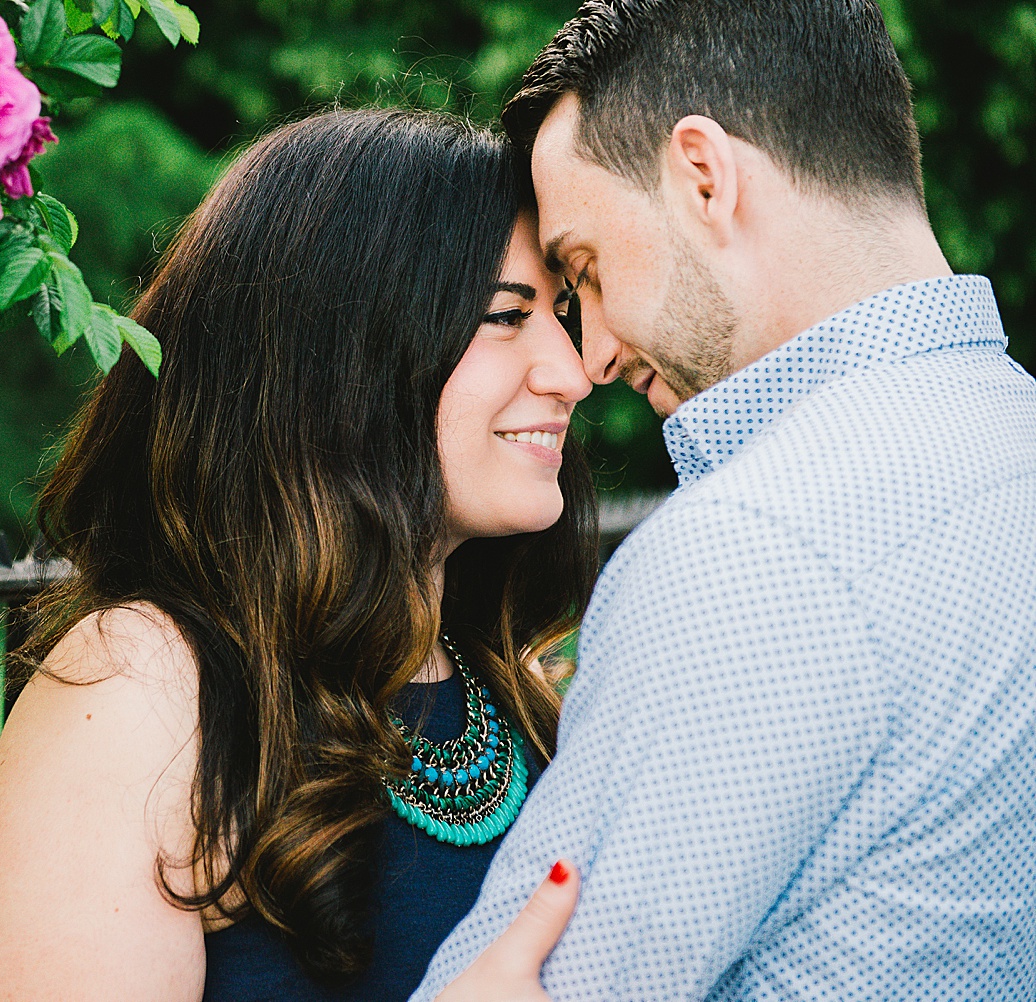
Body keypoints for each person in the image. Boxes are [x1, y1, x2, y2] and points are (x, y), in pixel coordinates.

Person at [416, 1, 1036, 1000]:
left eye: (585, 270)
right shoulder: (1013, 442)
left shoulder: (756, 549)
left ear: (704, 177)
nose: (598, 353)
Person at [0, 107, 599, 1000]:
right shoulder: (143, 691)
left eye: (560, 315)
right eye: (503, 317)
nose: (573, 368)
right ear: (335, 353)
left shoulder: (510, 692)